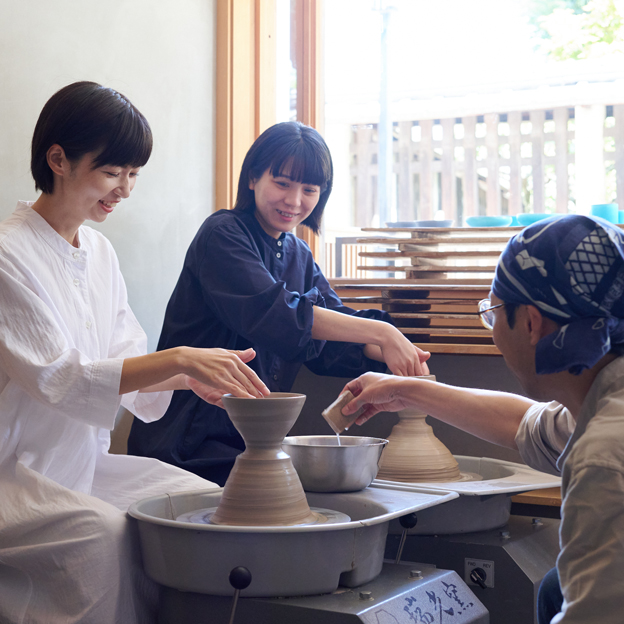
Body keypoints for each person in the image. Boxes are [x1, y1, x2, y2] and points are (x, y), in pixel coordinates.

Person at [0, 81, 269, 624]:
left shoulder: (99, 252)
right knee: (103, 534)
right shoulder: (8, 252)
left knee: (202, 500)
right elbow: (64, 378)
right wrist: (182, 358)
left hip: (84, 465)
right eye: (113, 172)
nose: (125, 189)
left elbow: (125, 363)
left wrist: (187, 378)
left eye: (134, 175)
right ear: (58, 159)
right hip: (16, 473)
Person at [340, 214, 624, 624]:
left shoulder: (604, 455)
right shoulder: (601, 399)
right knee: (553, 588)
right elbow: (528, 426)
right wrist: (405, 390)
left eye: (491, 312)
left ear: (530, 323)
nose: (491, 327)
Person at [128, 121, 431, 485]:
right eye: (283, 183)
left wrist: (398, 354)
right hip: (188, 443)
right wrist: (383, 332)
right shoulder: (222, 234)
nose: (294, 200)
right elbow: (280, 317)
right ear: (253, 177)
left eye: (309, 189)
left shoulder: (298, 254)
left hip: (255, 442)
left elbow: (329, 339)